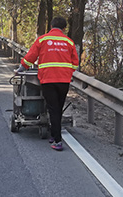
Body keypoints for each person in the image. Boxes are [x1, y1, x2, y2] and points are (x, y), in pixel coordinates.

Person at [15, 16, 79, 151]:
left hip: (48, 79)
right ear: (64, 28)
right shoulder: (69, 42)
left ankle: (57, 141)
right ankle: (55, 134)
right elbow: (75, 63)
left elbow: (30, 57)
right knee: (58, 109)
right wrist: (66, 72)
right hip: (64, 81)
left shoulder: (43, 39)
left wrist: (20, 70)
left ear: (51, 27)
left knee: (53, 108)